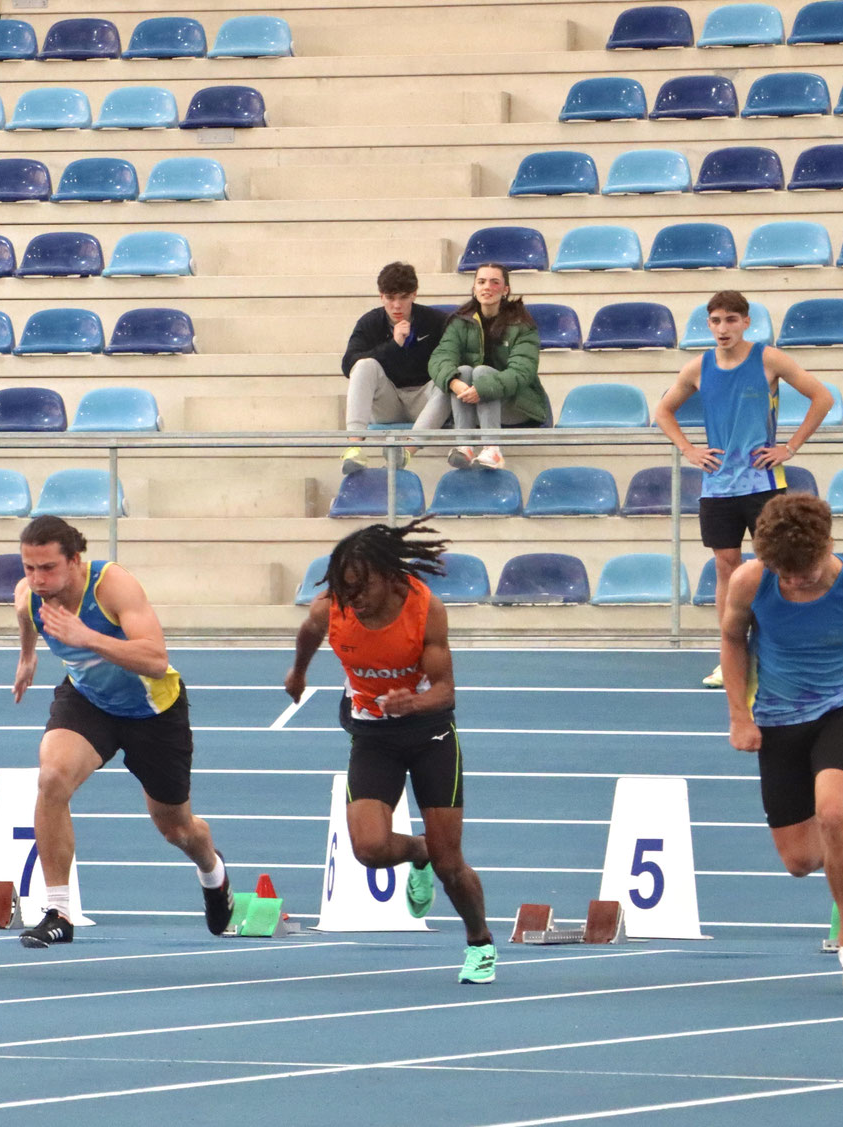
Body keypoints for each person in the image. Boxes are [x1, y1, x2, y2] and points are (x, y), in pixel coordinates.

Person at [283, 521, 497, 984]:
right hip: (373, 734)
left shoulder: (426, 611)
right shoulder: (332, 609)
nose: (353, 598)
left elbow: (446, 692)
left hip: (429, 734)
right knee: (370, 849)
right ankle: (420, 850)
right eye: (344, 588)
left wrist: (412, 702)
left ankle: (480, 942)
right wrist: (298, 672)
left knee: (451, 865)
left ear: (386, 576)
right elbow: (308, 632)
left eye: (361, 588)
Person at [11, 515, 232, 949]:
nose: (37, 579)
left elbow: (155, 658)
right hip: (89, 702)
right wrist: (27, 657)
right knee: (51, 778)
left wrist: (86, 636)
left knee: (177, 828)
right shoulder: (28, 595)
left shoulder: (112, 586)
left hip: (154, 712)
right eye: (29, 568)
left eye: (48, 568)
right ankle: (59, 912)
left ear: (75, 561)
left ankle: (212, 871)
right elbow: (26, 618)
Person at [718, 495, 843, 990]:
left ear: (828, 546)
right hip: (778, 719)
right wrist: (739, 714)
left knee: (831, 814)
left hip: (840, 713)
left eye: (804, 571)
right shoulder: (751, 580)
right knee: (800, 861)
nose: (795, 581)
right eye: (785, 573)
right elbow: (733, 638)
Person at [657, 290, 836, 688]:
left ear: (746, 322)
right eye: (717, 321)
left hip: (763, 482)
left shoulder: (768, 359)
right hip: (718, 484)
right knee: (726, 567)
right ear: (709, 324)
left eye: (731, 320)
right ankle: (731, 655)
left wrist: (789, 447)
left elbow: (822, 397)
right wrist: (689, 450)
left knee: (775, 567)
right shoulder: (697, 367)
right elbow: (663, 411)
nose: (724, 328)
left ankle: (779, 651)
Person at [428, 262, 549, 471]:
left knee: (483, 373)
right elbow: (440, 358)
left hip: (517, 405)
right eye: (481, 282)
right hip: (473, 405)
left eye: (495, 282)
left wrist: (483, 388)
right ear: (474, 288)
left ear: (505, 290)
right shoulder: (460, 322)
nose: (487, 287)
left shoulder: (523, 326)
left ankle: (493, 448)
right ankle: (464, 445)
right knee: (463, 372)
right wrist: (454, 382)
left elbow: (522, 372)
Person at [340, 260, 453, 475]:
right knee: (364, 365)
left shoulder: (435, 321)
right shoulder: (370, 322)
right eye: (390, 298)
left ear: (414, 294)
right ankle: (353, 447)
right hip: (388, 400)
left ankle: (406, 452)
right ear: (381, 296)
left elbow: (453, 358)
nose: (397, 306)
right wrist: (393, 346)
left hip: (424, 399)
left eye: (403, 297)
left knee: (448, 381)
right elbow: (348, 365)